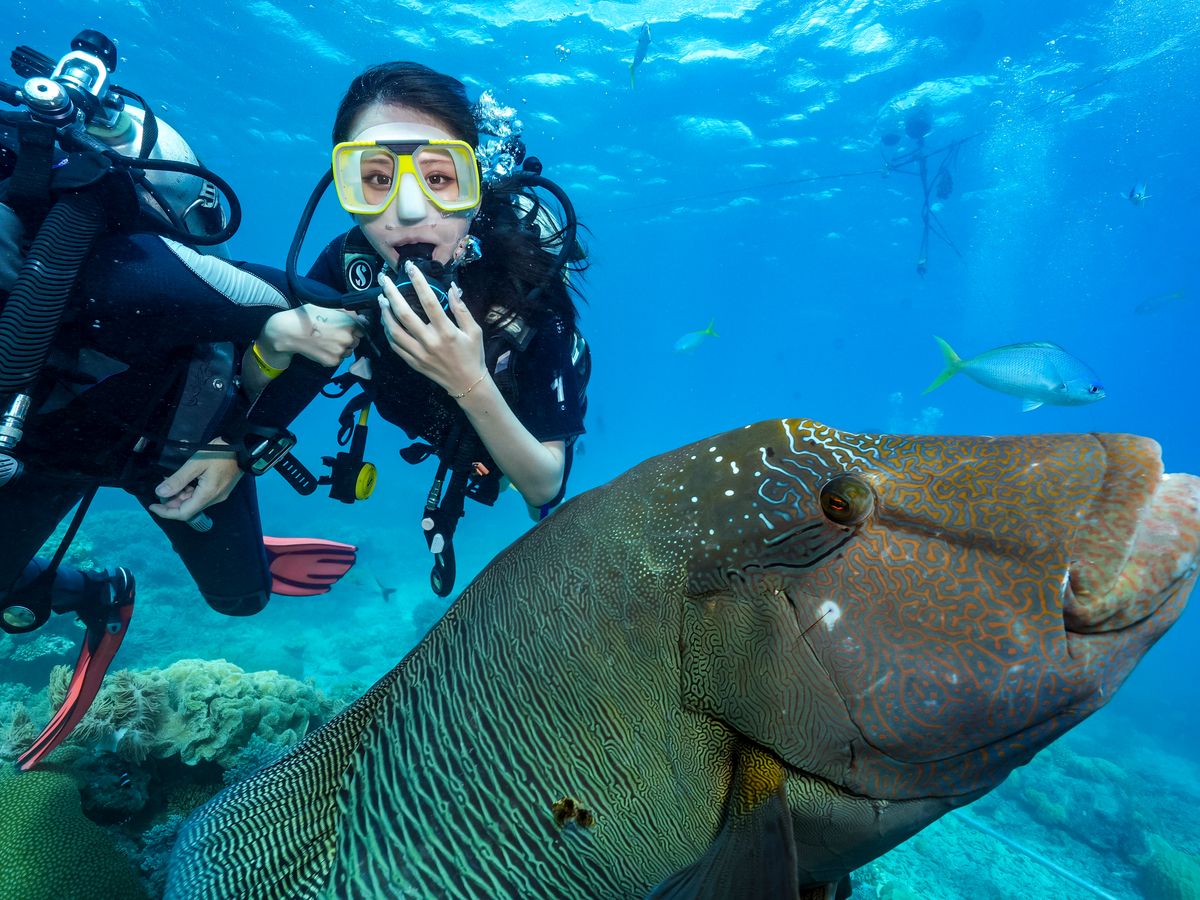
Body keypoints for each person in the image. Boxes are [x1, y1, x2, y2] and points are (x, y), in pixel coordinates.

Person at [0, 31, 363, 768]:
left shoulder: (130, 271)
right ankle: (96, 593)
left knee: (241, 600)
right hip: (45, 452)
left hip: (174, 451)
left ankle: (249, 553)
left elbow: (335, 315)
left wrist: (239, 442)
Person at [246, 61, 589, 595]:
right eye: (377, 179)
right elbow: (256, 406)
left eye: (438, 178)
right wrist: (269, 348)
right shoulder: (349, 266)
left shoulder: (527, 290)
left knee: (527, 499)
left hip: (503, 443)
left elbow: (544, 488)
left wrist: (468, 380)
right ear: (345, 186)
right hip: (421, 421)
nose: (408, 212)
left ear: (475, 184)